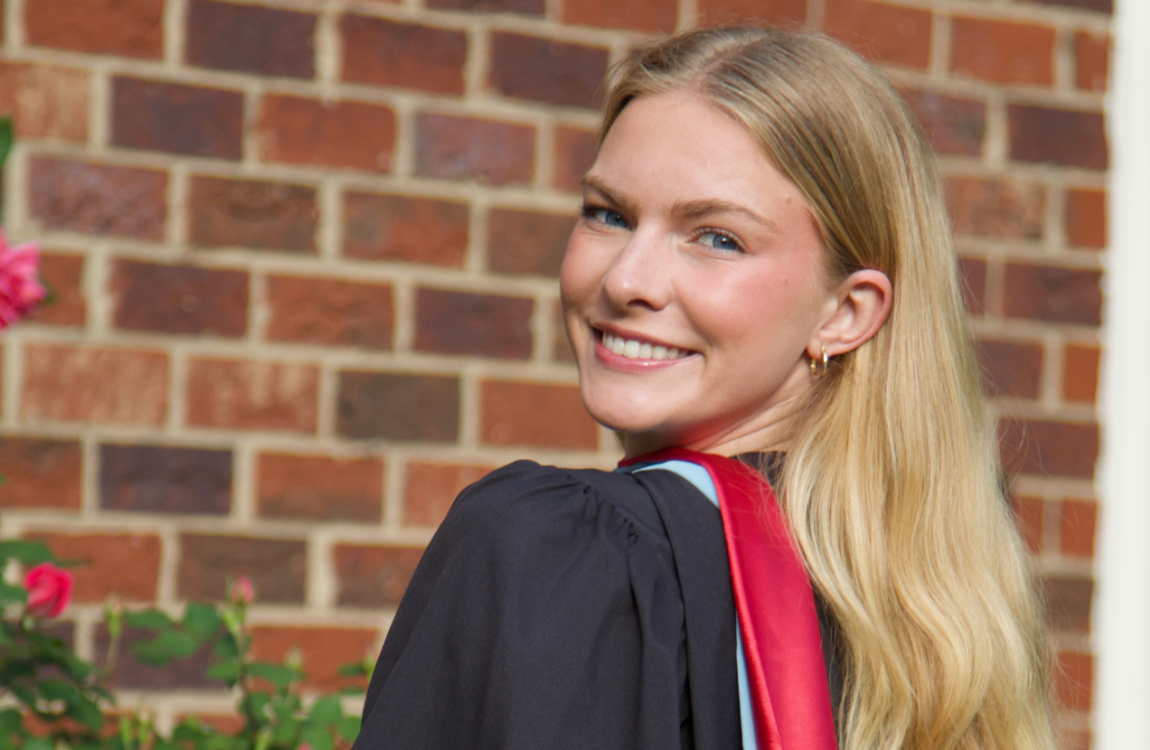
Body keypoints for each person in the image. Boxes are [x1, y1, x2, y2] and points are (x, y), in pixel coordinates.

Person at [352, 26, 1055, 750]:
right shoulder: (936, 622)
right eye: (608, 215)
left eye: (716, 237)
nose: (627, 279)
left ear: (845, 312)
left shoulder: (557, 556)